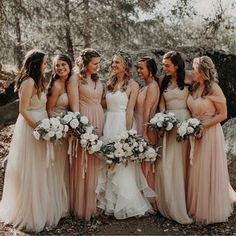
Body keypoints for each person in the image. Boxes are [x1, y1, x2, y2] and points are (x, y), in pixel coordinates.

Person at [0, 49, 65, 232]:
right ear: (36, 64)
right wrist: (39, 128)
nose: (46, 65)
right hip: (31, 127)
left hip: (42, 124)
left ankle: (42, 206)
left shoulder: (39, 81)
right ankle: (30, 212)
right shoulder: (28, 82)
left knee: (41, 168)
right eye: (44, 62)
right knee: (32, 168)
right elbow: (23, 110)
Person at [96, 51, 155, 219]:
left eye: (118, 63)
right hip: (108, 123)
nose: (113, 65)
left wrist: (128, 135)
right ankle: (110, 203)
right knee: (108, 162)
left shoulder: (133, 85)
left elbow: (130, 111)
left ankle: (127, 204)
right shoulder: (109, 82)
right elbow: (103, 105)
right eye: (113, 62)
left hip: (121, 124)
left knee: (122, 164)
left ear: (125, 66)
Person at [187, 56, 236, 224]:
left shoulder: (214, 88)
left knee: (208, 168)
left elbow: (223, 114)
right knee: (197, 169)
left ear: (201, 71)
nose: (191, 71)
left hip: (210, 133)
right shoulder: (194, 87)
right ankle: (197, 206)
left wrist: (202, 127)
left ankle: (210, 209)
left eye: (193, 68)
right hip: (194, 131)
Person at [67, 48, 104, 221]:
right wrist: (82, 129)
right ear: (85, 63)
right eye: (95, 63)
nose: (98, 66)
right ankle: (83, 206)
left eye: (98, 63)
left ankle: (96, 202)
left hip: (100, 119)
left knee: (96, 162)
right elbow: (74, 107)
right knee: (84, 163)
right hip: (85, 121)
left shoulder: (97, 79)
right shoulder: (75, 79)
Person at [156, 51, 193, 224]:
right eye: (163, 65)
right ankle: (170, 203)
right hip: (168, 125)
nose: (164, 68)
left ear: (177, 65)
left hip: (185, 124)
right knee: (168, 163)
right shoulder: (162, 80)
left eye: (167, 65)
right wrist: (162, 120)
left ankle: (185, 203)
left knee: (183, 163)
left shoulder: (189, 78)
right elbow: (161, 103)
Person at [46, 54, 73, 217]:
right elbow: (49, 110)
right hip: (56, 129)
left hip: (67, 127)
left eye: (63, 64)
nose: (60, 68)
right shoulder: (56, 85)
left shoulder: (70, 82)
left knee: (63, 166)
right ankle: (52, 205)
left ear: (69, 66)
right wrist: (56, 129)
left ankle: (62, 203)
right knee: (55, 166)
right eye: (57, 65)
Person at [135, 56, 160, 206]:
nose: (138, 71)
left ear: (150, 71)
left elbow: (147, 111)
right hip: (139, 123)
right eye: (137, 68)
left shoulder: (152, 86)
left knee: (146, 164)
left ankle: (149, 200)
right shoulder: (145, 85)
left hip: (145, 126)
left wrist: (144, 132)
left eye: (141, 68)